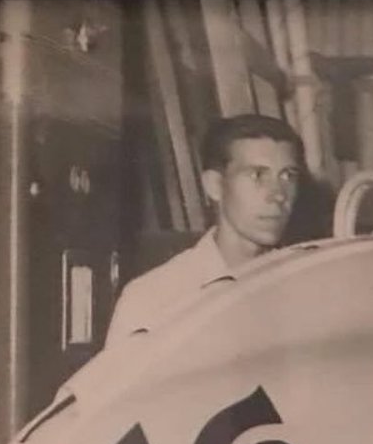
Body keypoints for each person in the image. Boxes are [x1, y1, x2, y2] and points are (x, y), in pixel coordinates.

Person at [105, 114, 304, 344]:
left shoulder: (304, 285)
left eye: (288, 176)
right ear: (215, 186)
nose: (279, 195)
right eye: (257, 175)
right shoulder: (153, 299)